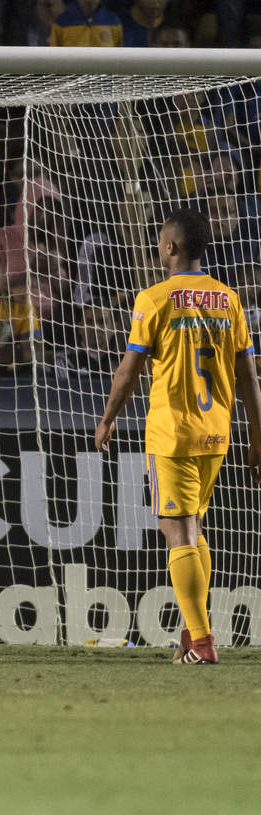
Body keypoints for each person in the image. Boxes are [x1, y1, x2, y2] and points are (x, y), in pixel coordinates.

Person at [94, 208, 261, 666]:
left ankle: (203, 643)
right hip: (216, 434)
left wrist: (108, 417)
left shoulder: (155, 298)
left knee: (177, 531)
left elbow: (129, 369)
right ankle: (193, 633)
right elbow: (249, 376)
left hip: (172, 434)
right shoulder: (229, 299)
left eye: (160, 243)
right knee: (193, 528)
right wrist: (257, 436)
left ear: (170, 247)